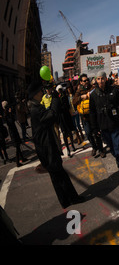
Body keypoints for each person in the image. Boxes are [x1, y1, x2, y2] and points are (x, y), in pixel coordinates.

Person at [27, 80, 85, 209]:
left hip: (45, 148)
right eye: (40, 91)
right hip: (47, 148)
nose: (42, 92)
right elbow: (52, 115)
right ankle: (72, 198)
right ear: (35, 94)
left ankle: (65, 200)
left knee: (56, 175)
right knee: (59, 174)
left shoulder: (35, 107)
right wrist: (54, 99)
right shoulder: (36, 109)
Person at [89, 71, 119, 176]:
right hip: (103, 125)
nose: (100, 81)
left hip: (114, 123)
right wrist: (94, 128)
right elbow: (92, 112)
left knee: (117, 145)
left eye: (102, 78)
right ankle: (118, 156)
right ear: (96, 80)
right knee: (111, 147)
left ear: (105, 79)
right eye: (98, 79)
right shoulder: (94, 95)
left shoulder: (114, 90)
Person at [72, 73, 106, 158]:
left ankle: (101, 149)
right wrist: (81, 97)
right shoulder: (78, 91)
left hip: (94, 115)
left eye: (87, 80)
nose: (86, 82)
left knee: (97, 133)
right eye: (84, 81)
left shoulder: (93, 88)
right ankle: (94, 147)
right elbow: (74, 101)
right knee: (88, 133)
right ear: (81, 82)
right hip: (85, 117)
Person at [2, 101, 28, 167]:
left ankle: (22, 158)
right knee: (17, 146)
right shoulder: (6, 114)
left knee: (19, 144)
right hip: (12, 132)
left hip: (14, 130)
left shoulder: (8, 113)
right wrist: (10, 113)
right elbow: (10, 121)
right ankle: (17, 162)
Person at [56, 85, 77, 157]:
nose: (60, 91)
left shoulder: (65, 97)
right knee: (64, 133)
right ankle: (68, 149)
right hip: (61, 118)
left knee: (70, 132)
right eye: (59, 90)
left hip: (67, 116)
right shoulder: (56, 98)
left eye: (61, 90)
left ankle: (72, 145)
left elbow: (67, 106)